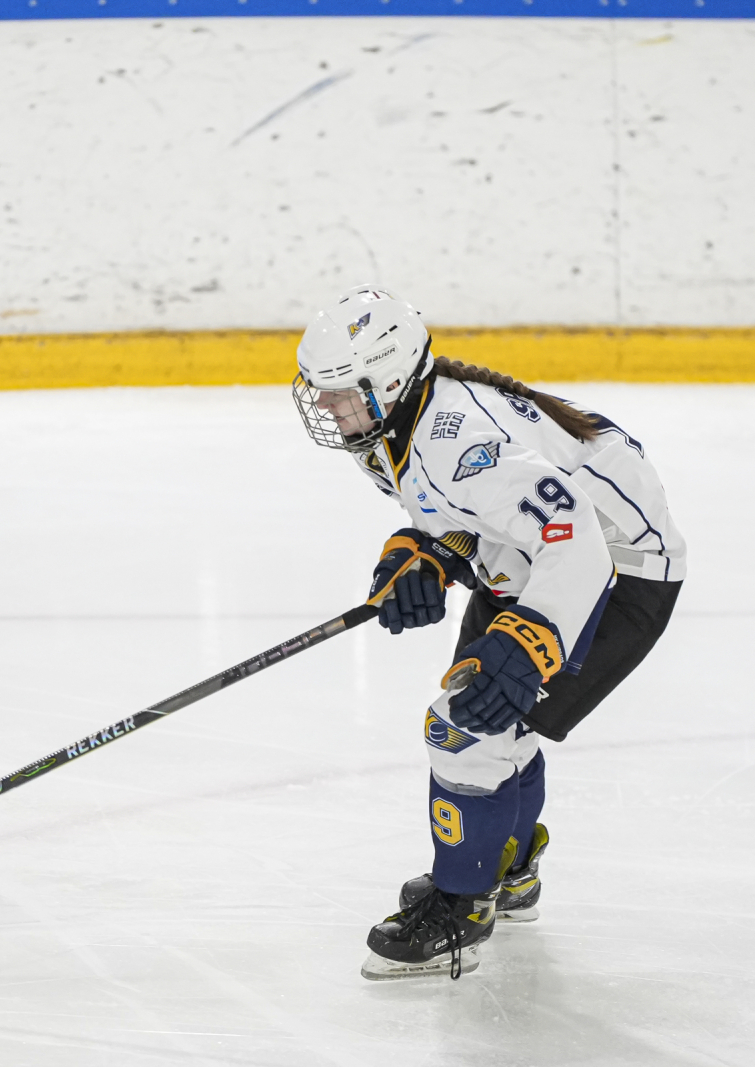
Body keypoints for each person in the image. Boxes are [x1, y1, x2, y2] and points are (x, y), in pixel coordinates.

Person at [290, 285, 685, 980]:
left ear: (389, 380)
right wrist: (425, 554)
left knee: (464, 729)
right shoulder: (387, 427)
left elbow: (576, 533)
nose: (325, 405)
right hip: (527, 559)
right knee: (500, 728)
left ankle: (461, 910)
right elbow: (468, 513)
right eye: (320, 390)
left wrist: (533, 640)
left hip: (615, 572)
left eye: (341, 392)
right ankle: (508, 869)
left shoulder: (456, 441)